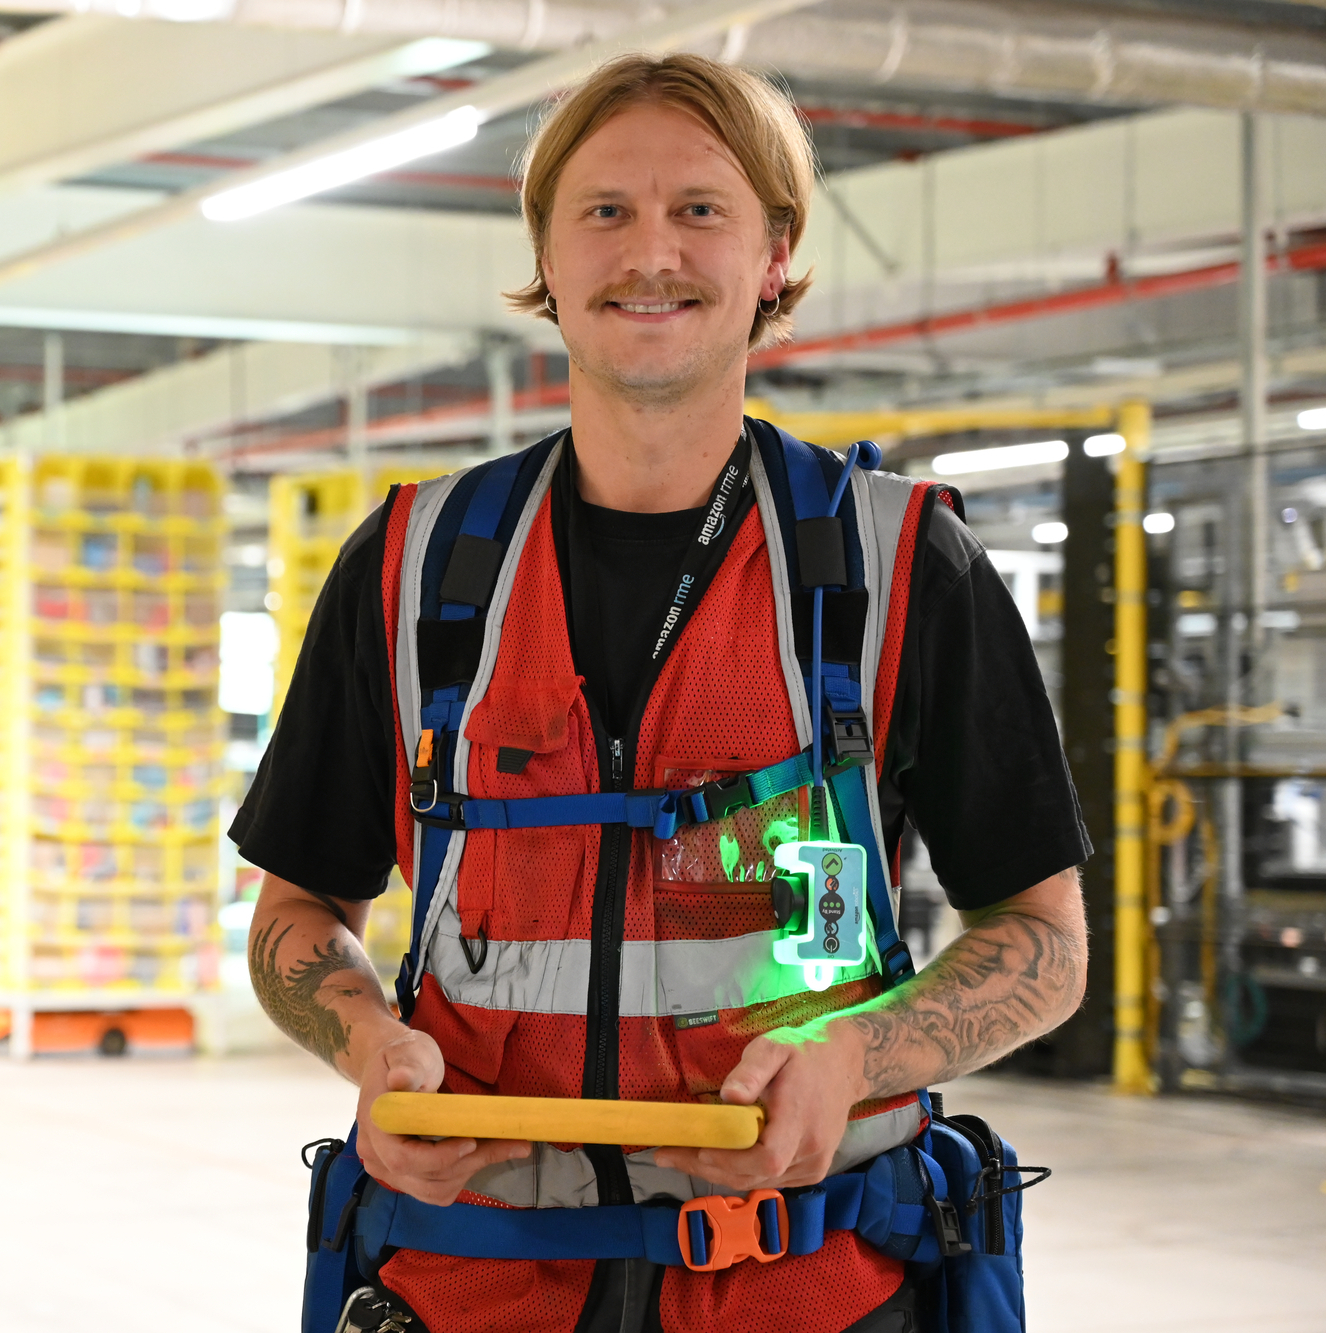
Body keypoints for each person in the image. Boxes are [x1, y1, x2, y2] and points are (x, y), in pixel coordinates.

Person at [232, 52, 1090, 1333]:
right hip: (471, 1286)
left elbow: (1044, 939)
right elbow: (296, 910)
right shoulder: (412, 570)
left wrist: (854, 1055)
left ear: (774, 255)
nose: (649, 253)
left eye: (699, 209)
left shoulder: (900, 567)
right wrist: (369, 1045)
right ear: (546, 255)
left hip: (804, 1290)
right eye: (604, 211)